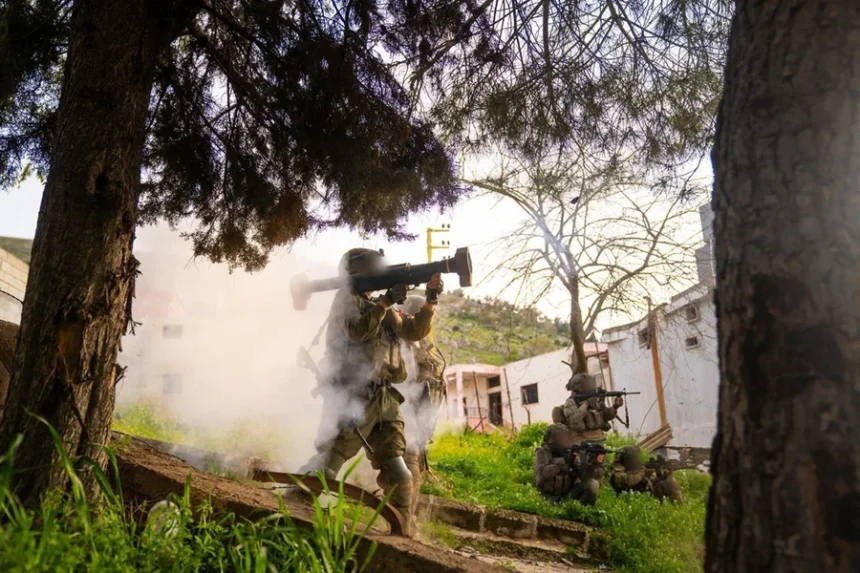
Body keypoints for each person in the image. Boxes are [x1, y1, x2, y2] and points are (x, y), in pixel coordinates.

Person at [304, 248, 443, 535]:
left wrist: (430, 300)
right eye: (373, 268)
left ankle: (402, 530)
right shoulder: (346, 300)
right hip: (353, 395)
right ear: (356, 270)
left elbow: (413, 331)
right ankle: (295, 502)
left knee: (400, 475)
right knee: (328, 465)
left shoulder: (381, 306)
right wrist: (386, 300)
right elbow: (358, 331)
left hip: (385, 398)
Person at [396, 294, 447, 517]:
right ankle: (403, 518)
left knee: (412, 466)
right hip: (402, 412)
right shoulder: (402, 339)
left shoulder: (422, 344)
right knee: (407, 467)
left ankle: (404, 517)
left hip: (416, 417)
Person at [533, 424, 600, 506]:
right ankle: (561, 508)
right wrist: (563, 461)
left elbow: (582, 477)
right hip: (547, 498)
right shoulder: (542, 451)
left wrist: (592, 465)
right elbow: (541, 476)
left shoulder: (569, 452)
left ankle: (578, 510)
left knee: (592, 484)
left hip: (567, 495)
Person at [552, 372, 622, 443]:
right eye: (588, 383)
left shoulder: (593, 400)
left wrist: (615, 406)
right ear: (579, 387)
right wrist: (587, 404)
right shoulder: (571, 402)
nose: (592, 385)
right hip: (582, 442)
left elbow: (605, 417)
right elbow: (574, 420)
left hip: (599, 440)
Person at [609, 445, 683, 503]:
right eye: (634, 458)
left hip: (645, 494)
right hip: (630, 500)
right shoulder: (617, 471)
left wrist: (661, 476)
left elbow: (651, 480)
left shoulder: (638, 469)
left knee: (669, 481)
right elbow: (628, 481)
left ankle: (678, 506)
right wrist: (642, 473)